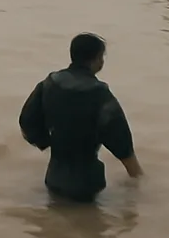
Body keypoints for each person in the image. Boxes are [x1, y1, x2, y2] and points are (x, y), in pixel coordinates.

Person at [18, 33, 142, 203]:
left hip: (53, 178)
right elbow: (121, 141)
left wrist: (47, 142)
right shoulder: (100, 94)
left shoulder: (49, 83)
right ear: (98, 59)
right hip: (87, 184)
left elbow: (27, 121)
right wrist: (138, 179)